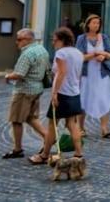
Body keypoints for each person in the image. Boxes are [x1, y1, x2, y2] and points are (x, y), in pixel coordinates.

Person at [29, 27, 84, 165]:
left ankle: (44, 155)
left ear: (62, 40)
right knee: (72, 123)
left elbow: (61, 73)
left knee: (52, 124)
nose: (53, 43)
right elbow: (78, 74)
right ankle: (78, 154)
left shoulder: (61, 53)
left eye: (55, 40)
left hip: (62, 93)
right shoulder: (78, 53)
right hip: (74, 92)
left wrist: (54, 93)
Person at [3, 28, 49, 159]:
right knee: (31, 117)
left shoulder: (27, 54)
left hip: (24, 91)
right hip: (37, 89)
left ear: (28, 39)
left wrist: (7, 76)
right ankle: (48, 137)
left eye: (19, 39)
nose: (16, 42)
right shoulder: (42, 50)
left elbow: (19, 74)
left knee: (16, 120)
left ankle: (18, 149)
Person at [76, 14, 110, 138]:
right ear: (88, 24)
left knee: (104, 99)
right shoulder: (82, 38)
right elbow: (79, 56)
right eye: (94, 23)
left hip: (101, 74)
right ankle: (81, 128)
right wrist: (94, 55)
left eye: (98, 23)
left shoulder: (104, 37)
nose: (96, 25)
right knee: (83, 100)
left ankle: (104, 128)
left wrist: (103, 56)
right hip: (86, 75)